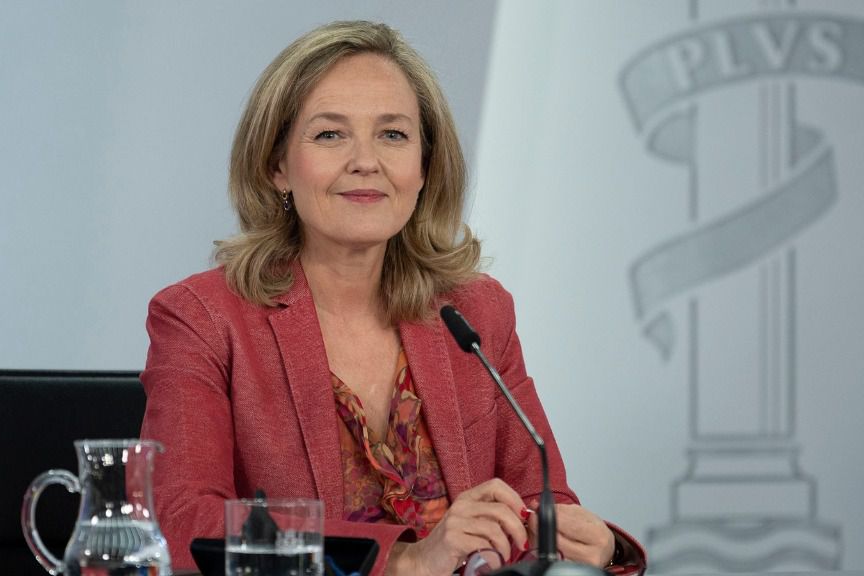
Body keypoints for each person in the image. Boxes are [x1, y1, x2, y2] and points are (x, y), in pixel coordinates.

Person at [140, 20, 645, 576]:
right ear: (276, 166)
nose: (366, 161)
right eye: (330, 135)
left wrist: (591, 544)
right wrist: (405, 559)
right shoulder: (203, 318)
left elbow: (539, 504)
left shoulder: (476, 312)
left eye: (393, 135)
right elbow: (181, 523)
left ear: (424, 167)